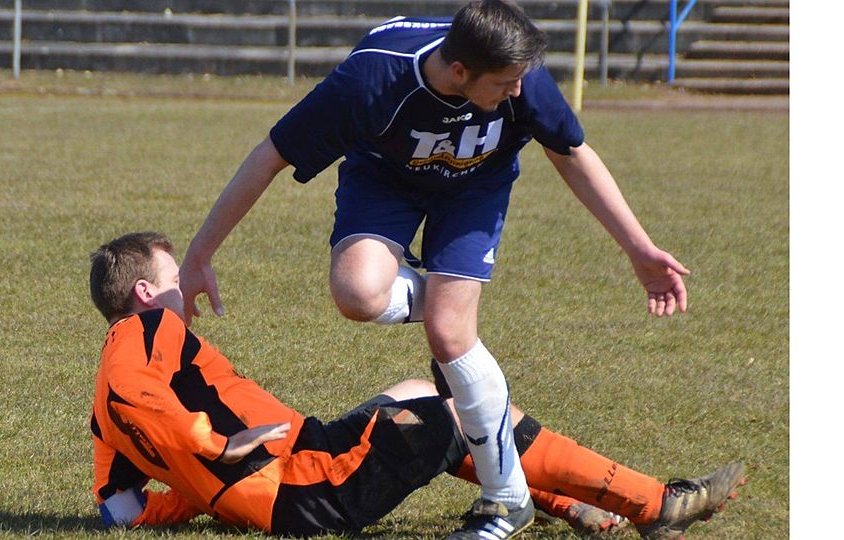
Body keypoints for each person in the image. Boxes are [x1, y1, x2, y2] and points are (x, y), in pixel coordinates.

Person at [178, 2, 690, 537]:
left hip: (477, 186)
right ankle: (453, 306)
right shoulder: (370, 79)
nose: (516, 92)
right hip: (384, 178)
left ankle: (506, 501)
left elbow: (571, 152)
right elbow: (271, 154)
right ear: (460, 72)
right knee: (357, 294)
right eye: (505, 84)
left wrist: (640, 249)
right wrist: (199, 256)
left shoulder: (519, 74)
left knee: (448, 333)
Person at [89, 232, 743, 540]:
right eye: (177, 276)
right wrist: (213, 449)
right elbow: (140, 403)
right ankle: (655, 503)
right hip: (302, 486)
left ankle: (575, 506)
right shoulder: (145, 334)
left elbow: (120, 508)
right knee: (459, 415)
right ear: (146, 293)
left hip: (301, 465)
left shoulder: (118, 381)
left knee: (420, 395)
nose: (189, 285)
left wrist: (209, 494)